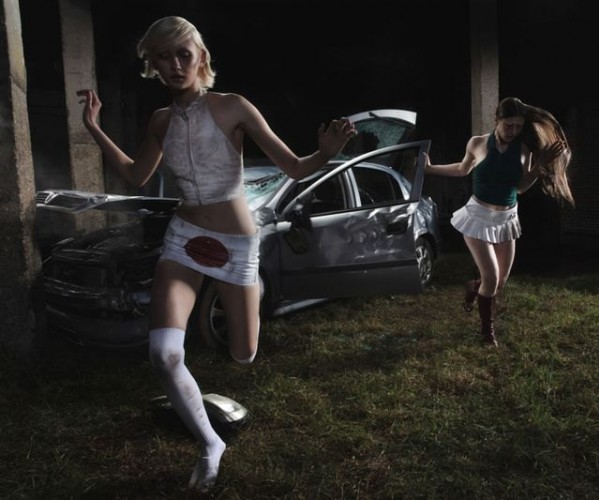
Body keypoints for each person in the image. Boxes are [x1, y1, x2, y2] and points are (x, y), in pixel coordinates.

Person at [76, 16, 356, 490]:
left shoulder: (232, 107)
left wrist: (324, 153)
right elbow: (136, 175)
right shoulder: (161, 121)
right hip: (183, 238)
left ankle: (251, 287)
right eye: (163, 57)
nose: (174, 64)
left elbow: (293, 167)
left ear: (200, 57)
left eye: (183, 54)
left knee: (243, 354)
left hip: (235, 243)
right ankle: (210, 445)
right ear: (153, 65)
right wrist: (93, 127)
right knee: (164, 353)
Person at [424, 97, 573, 347]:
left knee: (499, 282)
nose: (513, 131)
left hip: (506, 219)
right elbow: (462, 169)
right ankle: (487, 333)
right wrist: (430, 169)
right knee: (491, 278)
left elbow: (520, 187)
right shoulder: (478, 144)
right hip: (477, 217)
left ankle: (474, 287)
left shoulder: (523, 150)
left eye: (518, 126)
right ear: (497, 120)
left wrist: (539, 165)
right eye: (508, 125)